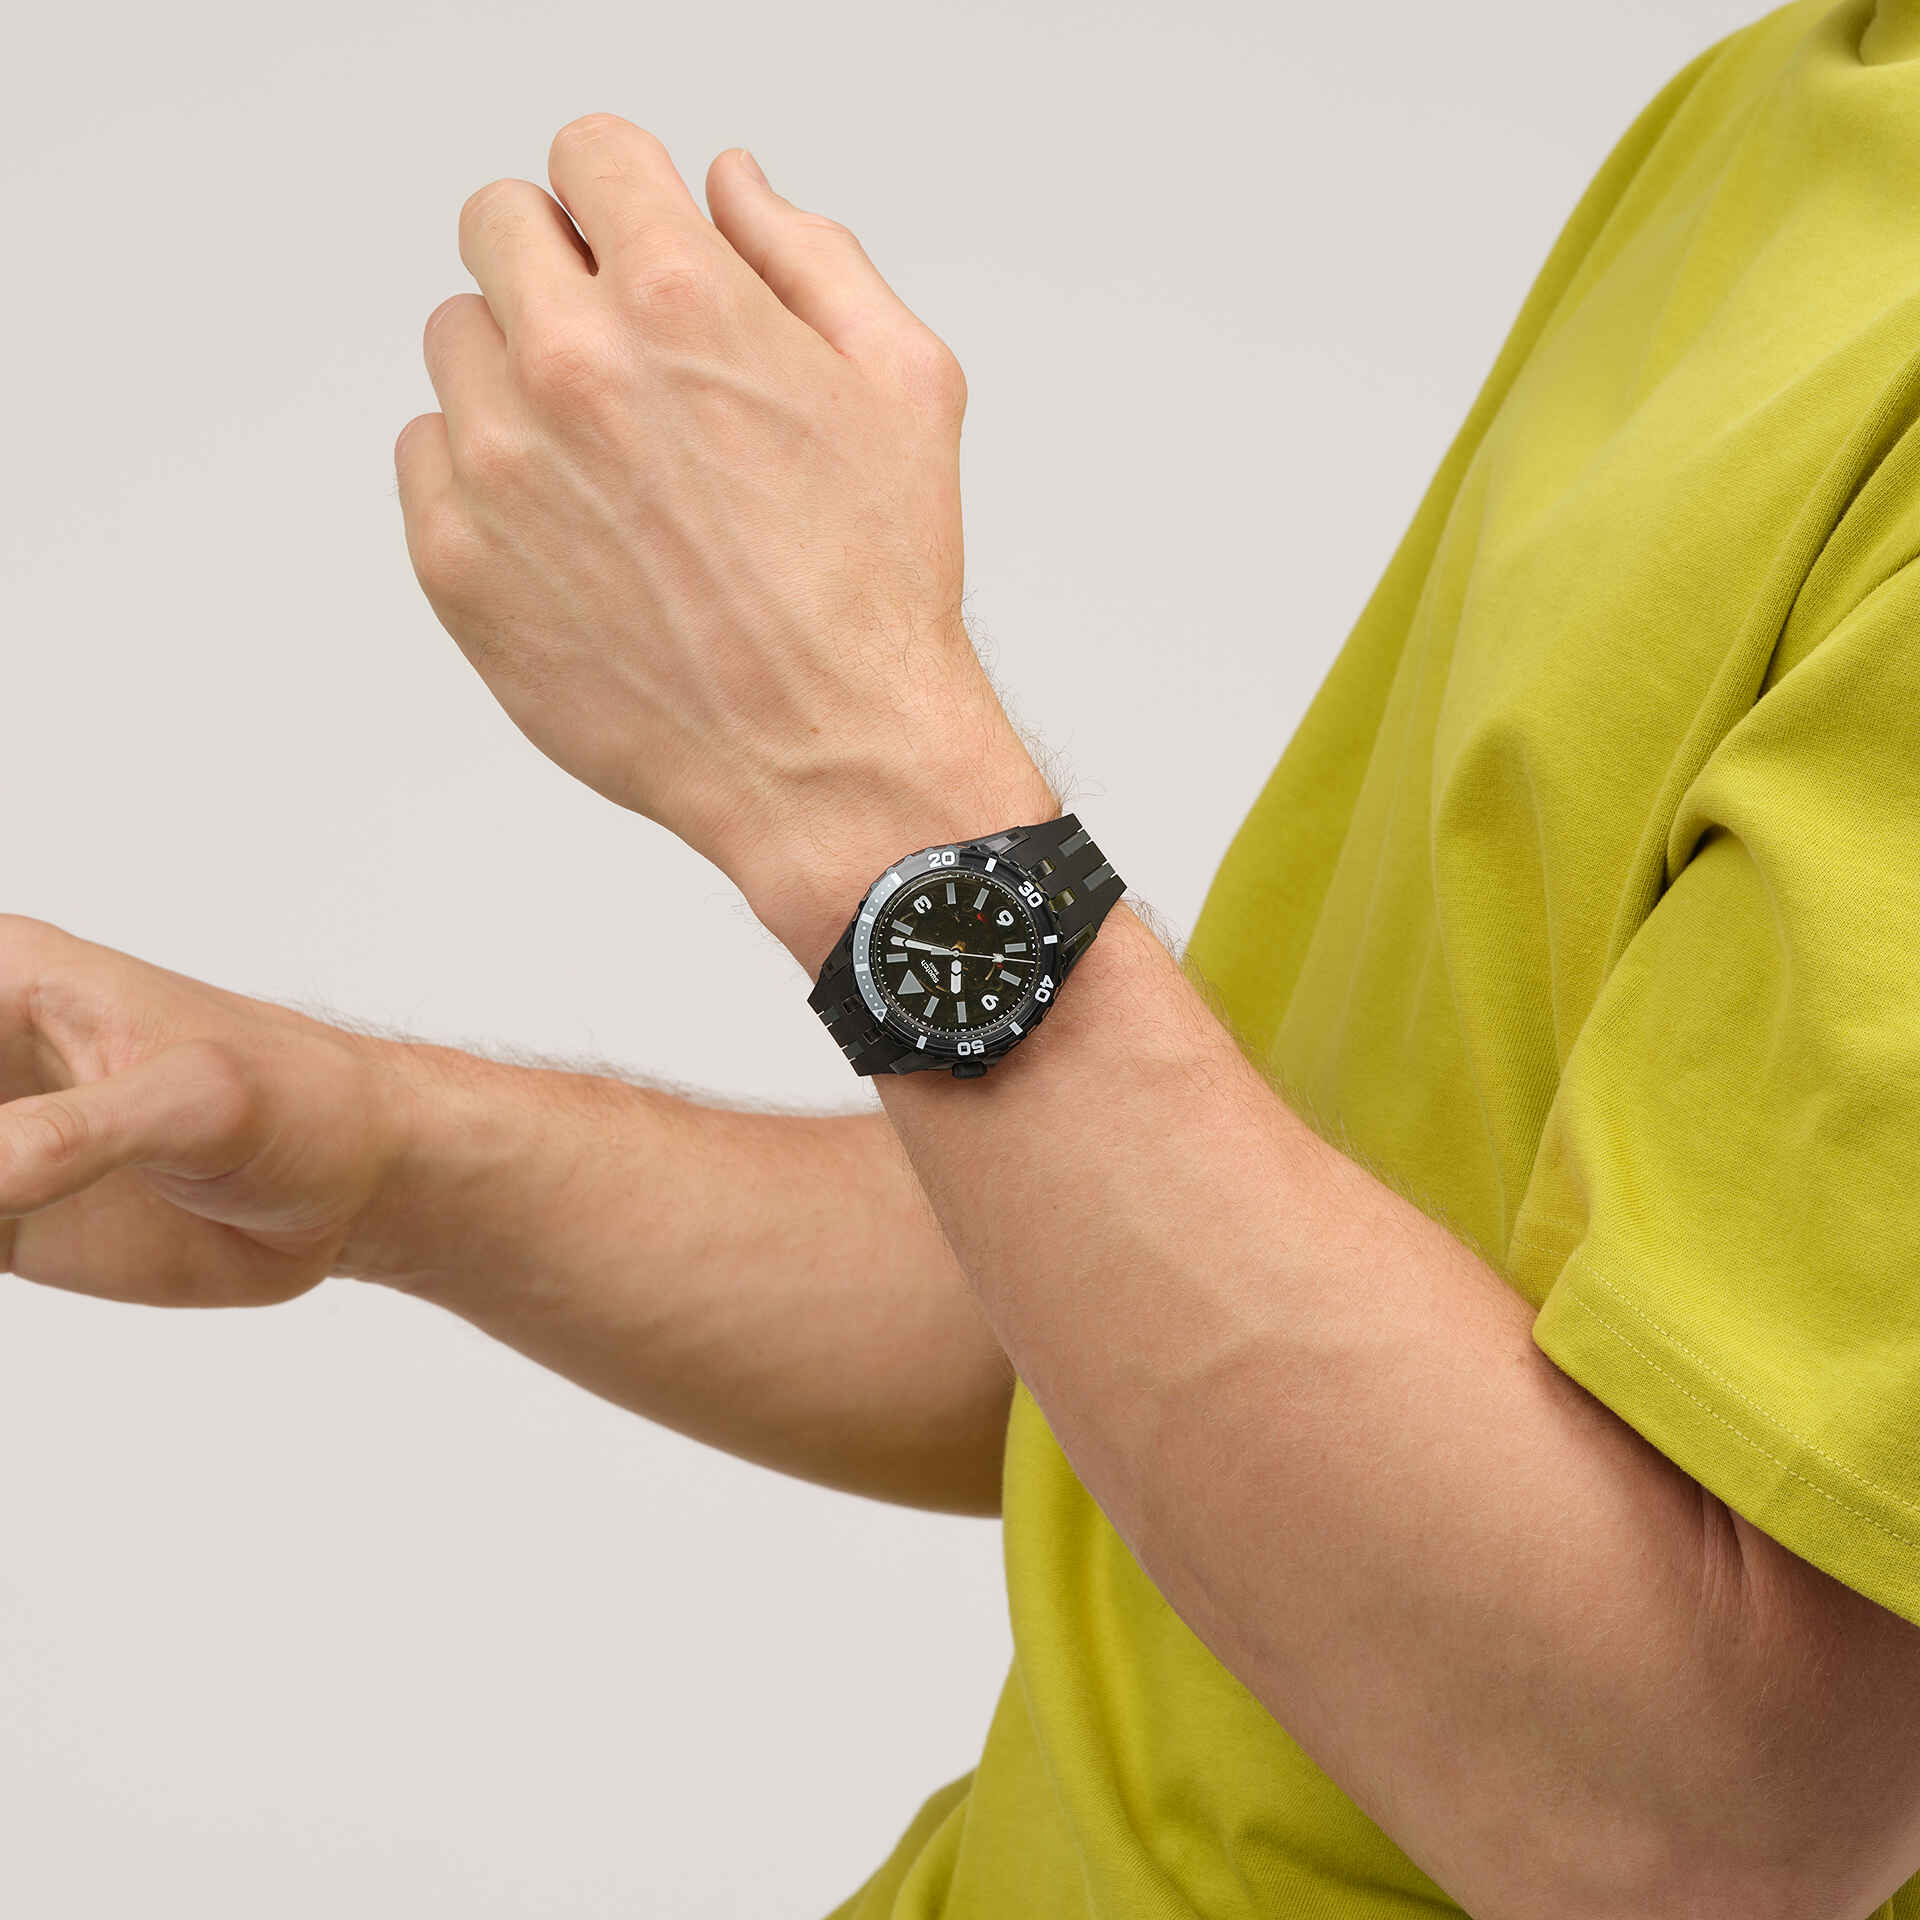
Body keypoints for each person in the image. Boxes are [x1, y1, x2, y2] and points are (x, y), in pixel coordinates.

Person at [10, 0, 1920, 1911]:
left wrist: (847, 763)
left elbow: (1700, 1833)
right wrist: (376, 1146)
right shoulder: (1798, 99)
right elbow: (1196, 1304)